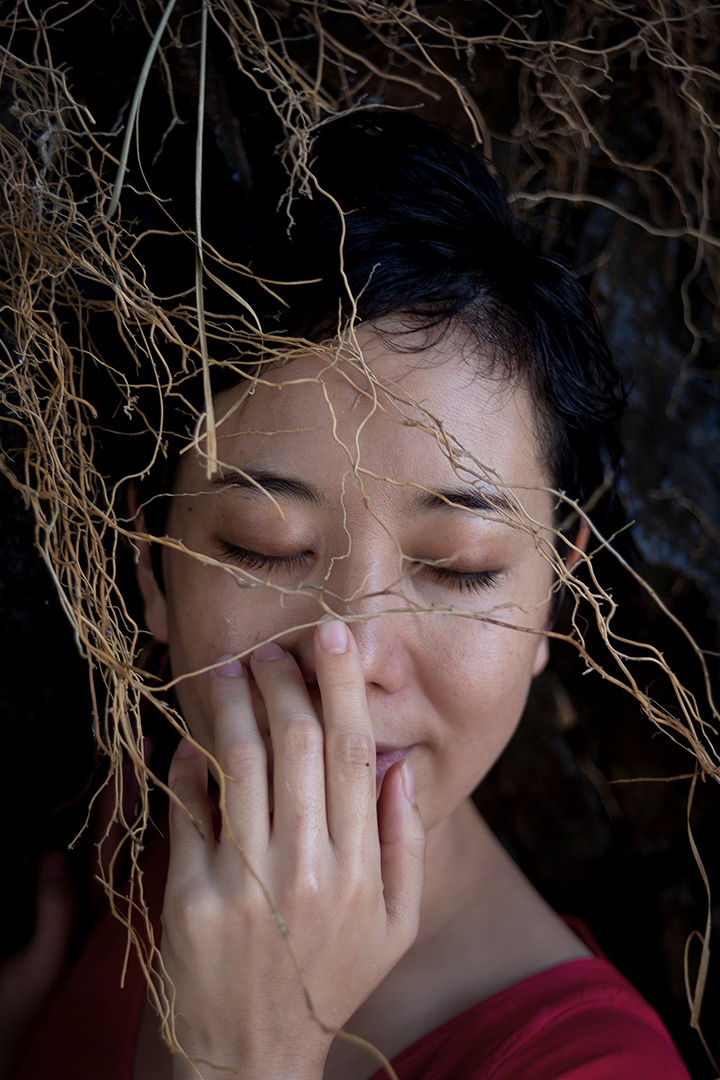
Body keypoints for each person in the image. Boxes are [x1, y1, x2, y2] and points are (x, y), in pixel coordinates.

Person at [12, 112, 692, 1079]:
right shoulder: (128, 828)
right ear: (148, 567)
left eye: (459, 564)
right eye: (266, 547)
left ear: (557, 590)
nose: (348, 651)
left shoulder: (587, 1067)